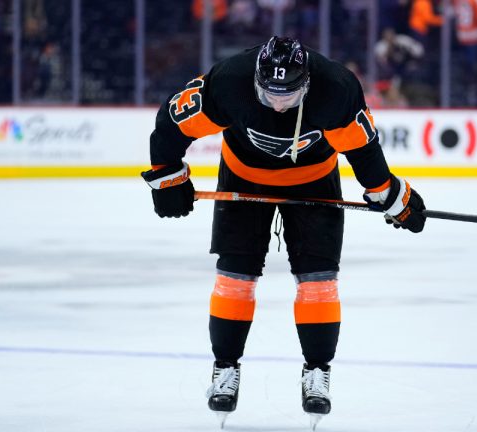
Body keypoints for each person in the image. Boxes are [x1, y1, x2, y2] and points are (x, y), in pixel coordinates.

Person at [140, 36, 426, 427]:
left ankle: (317, 372)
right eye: (270, 94)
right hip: (243, 178)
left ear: (306, 83)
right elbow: (171, 125)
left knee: (319, 281)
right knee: (234, 277)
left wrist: (391, 196)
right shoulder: (229, 81)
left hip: (314, 181)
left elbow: (364, 152)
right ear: (256, 79)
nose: (278, 104)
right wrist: (166, 177)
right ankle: (225, 367)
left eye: (288, 96)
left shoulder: (336, 89)